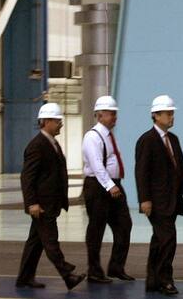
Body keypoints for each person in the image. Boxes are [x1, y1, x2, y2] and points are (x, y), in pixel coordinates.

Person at [16, 103, 86, 290]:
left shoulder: (51, 143)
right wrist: (32, 203)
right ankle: (67, 275)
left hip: (49, 203)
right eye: (57, 120)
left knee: (35, 243)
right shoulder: (37, 146)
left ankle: (24, 278)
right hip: (41, 205)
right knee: (50, 241)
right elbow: (27, 177)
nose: (60, 124)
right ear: (46, 122)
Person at [135, 95, 183, 295]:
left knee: (159, 241)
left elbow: (181, 167)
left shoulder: (173, 139)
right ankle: (165, 279)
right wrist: (144, 199)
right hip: (157, 202)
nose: (172, 116)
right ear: (156, 115)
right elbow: (141, 173)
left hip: (172, 199)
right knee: (168, 239)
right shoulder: (147, 140)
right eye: (168, 113)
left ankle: (152, 280)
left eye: (172, 113)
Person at [81, 95, 134, 283]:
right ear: (100, 115)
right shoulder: (92, 137)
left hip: (113, 186)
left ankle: (116, 267)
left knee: (124, 225)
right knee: (96, 229)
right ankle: (94, 271)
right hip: (99, 186)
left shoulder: (109, 136)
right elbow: (97, 165)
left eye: (115, 114)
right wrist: (110, 185)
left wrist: (114, 184)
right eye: (111, 114)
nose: (115, 117)